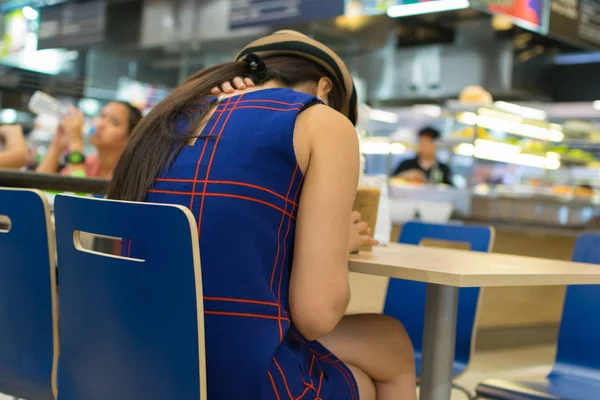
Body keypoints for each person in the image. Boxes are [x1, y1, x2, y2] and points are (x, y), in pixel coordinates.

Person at [108, 30, 416, 400]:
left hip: (131, 362)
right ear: (324, 90)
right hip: (231, 376)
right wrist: (330, 248)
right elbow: (316, 316)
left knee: (373, 359)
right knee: (392, 345)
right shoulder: (323, 121)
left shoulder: (168, 119)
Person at [36, 101, 142, 178]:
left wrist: (75, 143)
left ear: (130, 139)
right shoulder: (89, 163)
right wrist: (57, 145)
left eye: (113, 122)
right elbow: (39, 188)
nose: (100, 124)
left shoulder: (130, 174)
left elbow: (80, 200)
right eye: (102, 116)